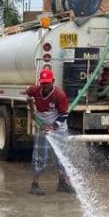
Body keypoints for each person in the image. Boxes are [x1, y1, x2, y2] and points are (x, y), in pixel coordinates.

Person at [26, 67, 74, 195]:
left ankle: (62, 183)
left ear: (53, 81)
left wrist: (53, 127)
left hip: (59, 128)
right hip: (42, 128)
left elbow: (63, 114)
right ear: (39, 82)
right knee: (40, 156)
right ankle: (34, 185)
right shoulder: (35, 90)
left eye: (47, 83)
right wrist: (32, 111)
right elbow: (27, 94)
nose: (45, 86)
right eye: (43, 83)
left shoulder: (59, 95)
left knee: (62, 156)